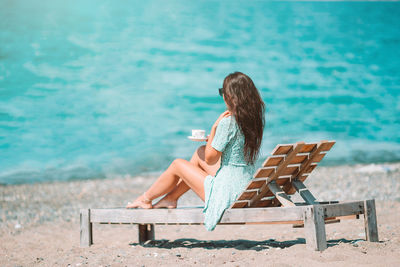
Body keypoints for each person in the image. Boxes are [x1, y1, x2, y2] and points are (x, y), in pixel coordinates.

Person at [126, 72, 265, 231]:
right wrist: (213, 139)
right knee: (199, 152)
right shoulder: (254, 119)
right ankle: (171, 198)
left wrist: (214, 128)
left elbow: (211, 159)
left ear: (231, 96)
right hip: (244, 185)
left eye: (223, 93)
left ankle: (146, 198)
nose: (222, 97)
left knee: (178, 164)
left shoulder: (228, 122)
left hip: (227, 193)